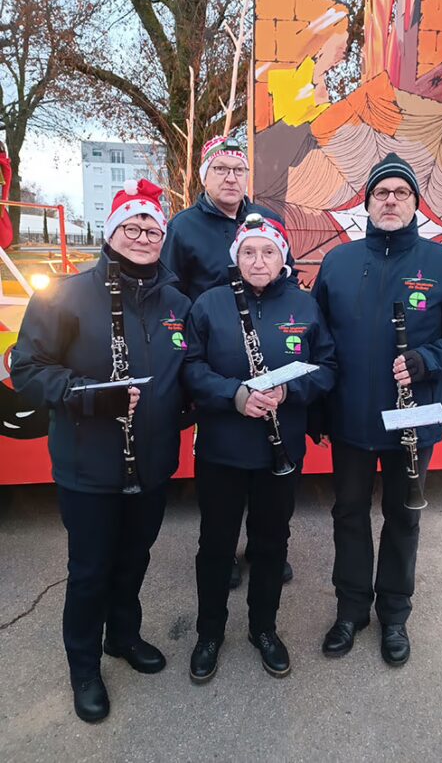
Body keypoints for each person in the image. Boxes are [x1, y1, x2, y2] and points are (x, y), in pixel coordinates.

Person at [11, 179, 190, 722]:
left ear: (163, 236)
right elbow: (26, 369)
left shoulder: (178, 303)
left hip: (154, 462)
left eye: (152, 227)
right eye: (131, 226)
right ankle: (83, 665)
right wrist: (88, 398)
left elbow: (190, 373)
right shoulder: (63, 295)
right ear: (111, 234)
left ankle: (123, 636)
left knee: (135, 558)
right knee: (90, 569)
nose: (142, 235)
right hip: (88, 465)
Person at [311, 153, 442, 666]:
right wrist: (319, 410)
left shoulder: (440, 263)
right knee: (348, 514)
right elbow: (319, 341)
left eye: (400, 193)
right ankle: (351, 610)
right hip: (351, 420)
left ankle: (394, 614)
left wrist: (429, 358)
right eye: (381, 193)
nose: (390, 201)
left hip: (414, 420)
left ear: (415, 203)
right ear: (366, 203)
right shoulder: (339, 262)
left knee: (403, 517)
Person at [183, 215, 336, 681]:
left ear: (282, 256)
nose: (258, 260)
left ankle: (263, 629)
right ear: (236, 256)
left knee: (271, 544)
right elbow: (190, 367)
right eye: (248, 251)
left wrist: (291, 392)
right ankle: (209, 632)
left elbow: (327, 367)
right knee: (215, 545)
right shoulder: (209, 304)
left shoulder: (306, 307)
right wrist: (236, 394)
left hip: (280, 451)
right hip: (222, 451)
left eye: (268, 251)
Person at [162, 134, 296, 587]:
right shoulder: (183, 227)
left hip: (268, 356)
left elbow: (286, 281)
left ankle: (265, 546)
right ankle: (222, 549)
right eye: (221, 169)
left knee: (267, 460)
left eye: (239, 170)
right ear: (205, 176)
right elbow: (169, 293)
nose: (232, 177)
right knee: (222, 459)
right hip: (212, 359)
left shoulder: (268, 220)